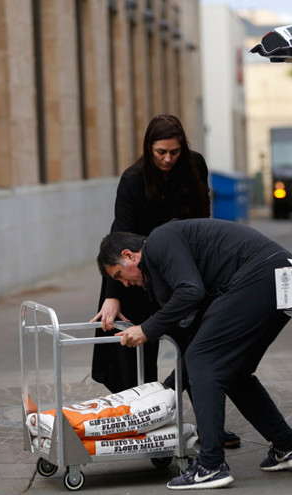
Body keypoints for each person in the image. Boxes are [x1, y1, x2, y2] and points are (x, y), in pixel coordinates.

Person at [96, 219, 292, 490]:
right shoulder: (163, 269)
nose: (124, 285)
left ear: (129, 255)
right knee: (232, 371)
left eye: (118, 275)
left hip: (262, 274)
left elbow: (191, 292)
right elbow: (192, 337)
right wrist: (161, 393)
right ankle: (287, 446)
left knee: (204, 359)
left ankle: (211, 466)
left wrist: (147, 329)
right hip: (273, 278)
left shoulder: (159, 241)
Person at [90, 114, 210, 394]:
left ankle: (206, 423)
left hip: (180, 271)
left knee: (196, 346)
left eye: (174, 152)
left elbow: (203, 220)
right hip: (134, 273)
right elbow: (118, 237)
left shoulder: (195, 166)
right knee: (134, 353)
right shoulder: (133, 179)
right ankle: (141, 422)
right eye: (160, 152)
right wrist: (112, 294)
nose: (167, 159)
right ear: (148, 148)